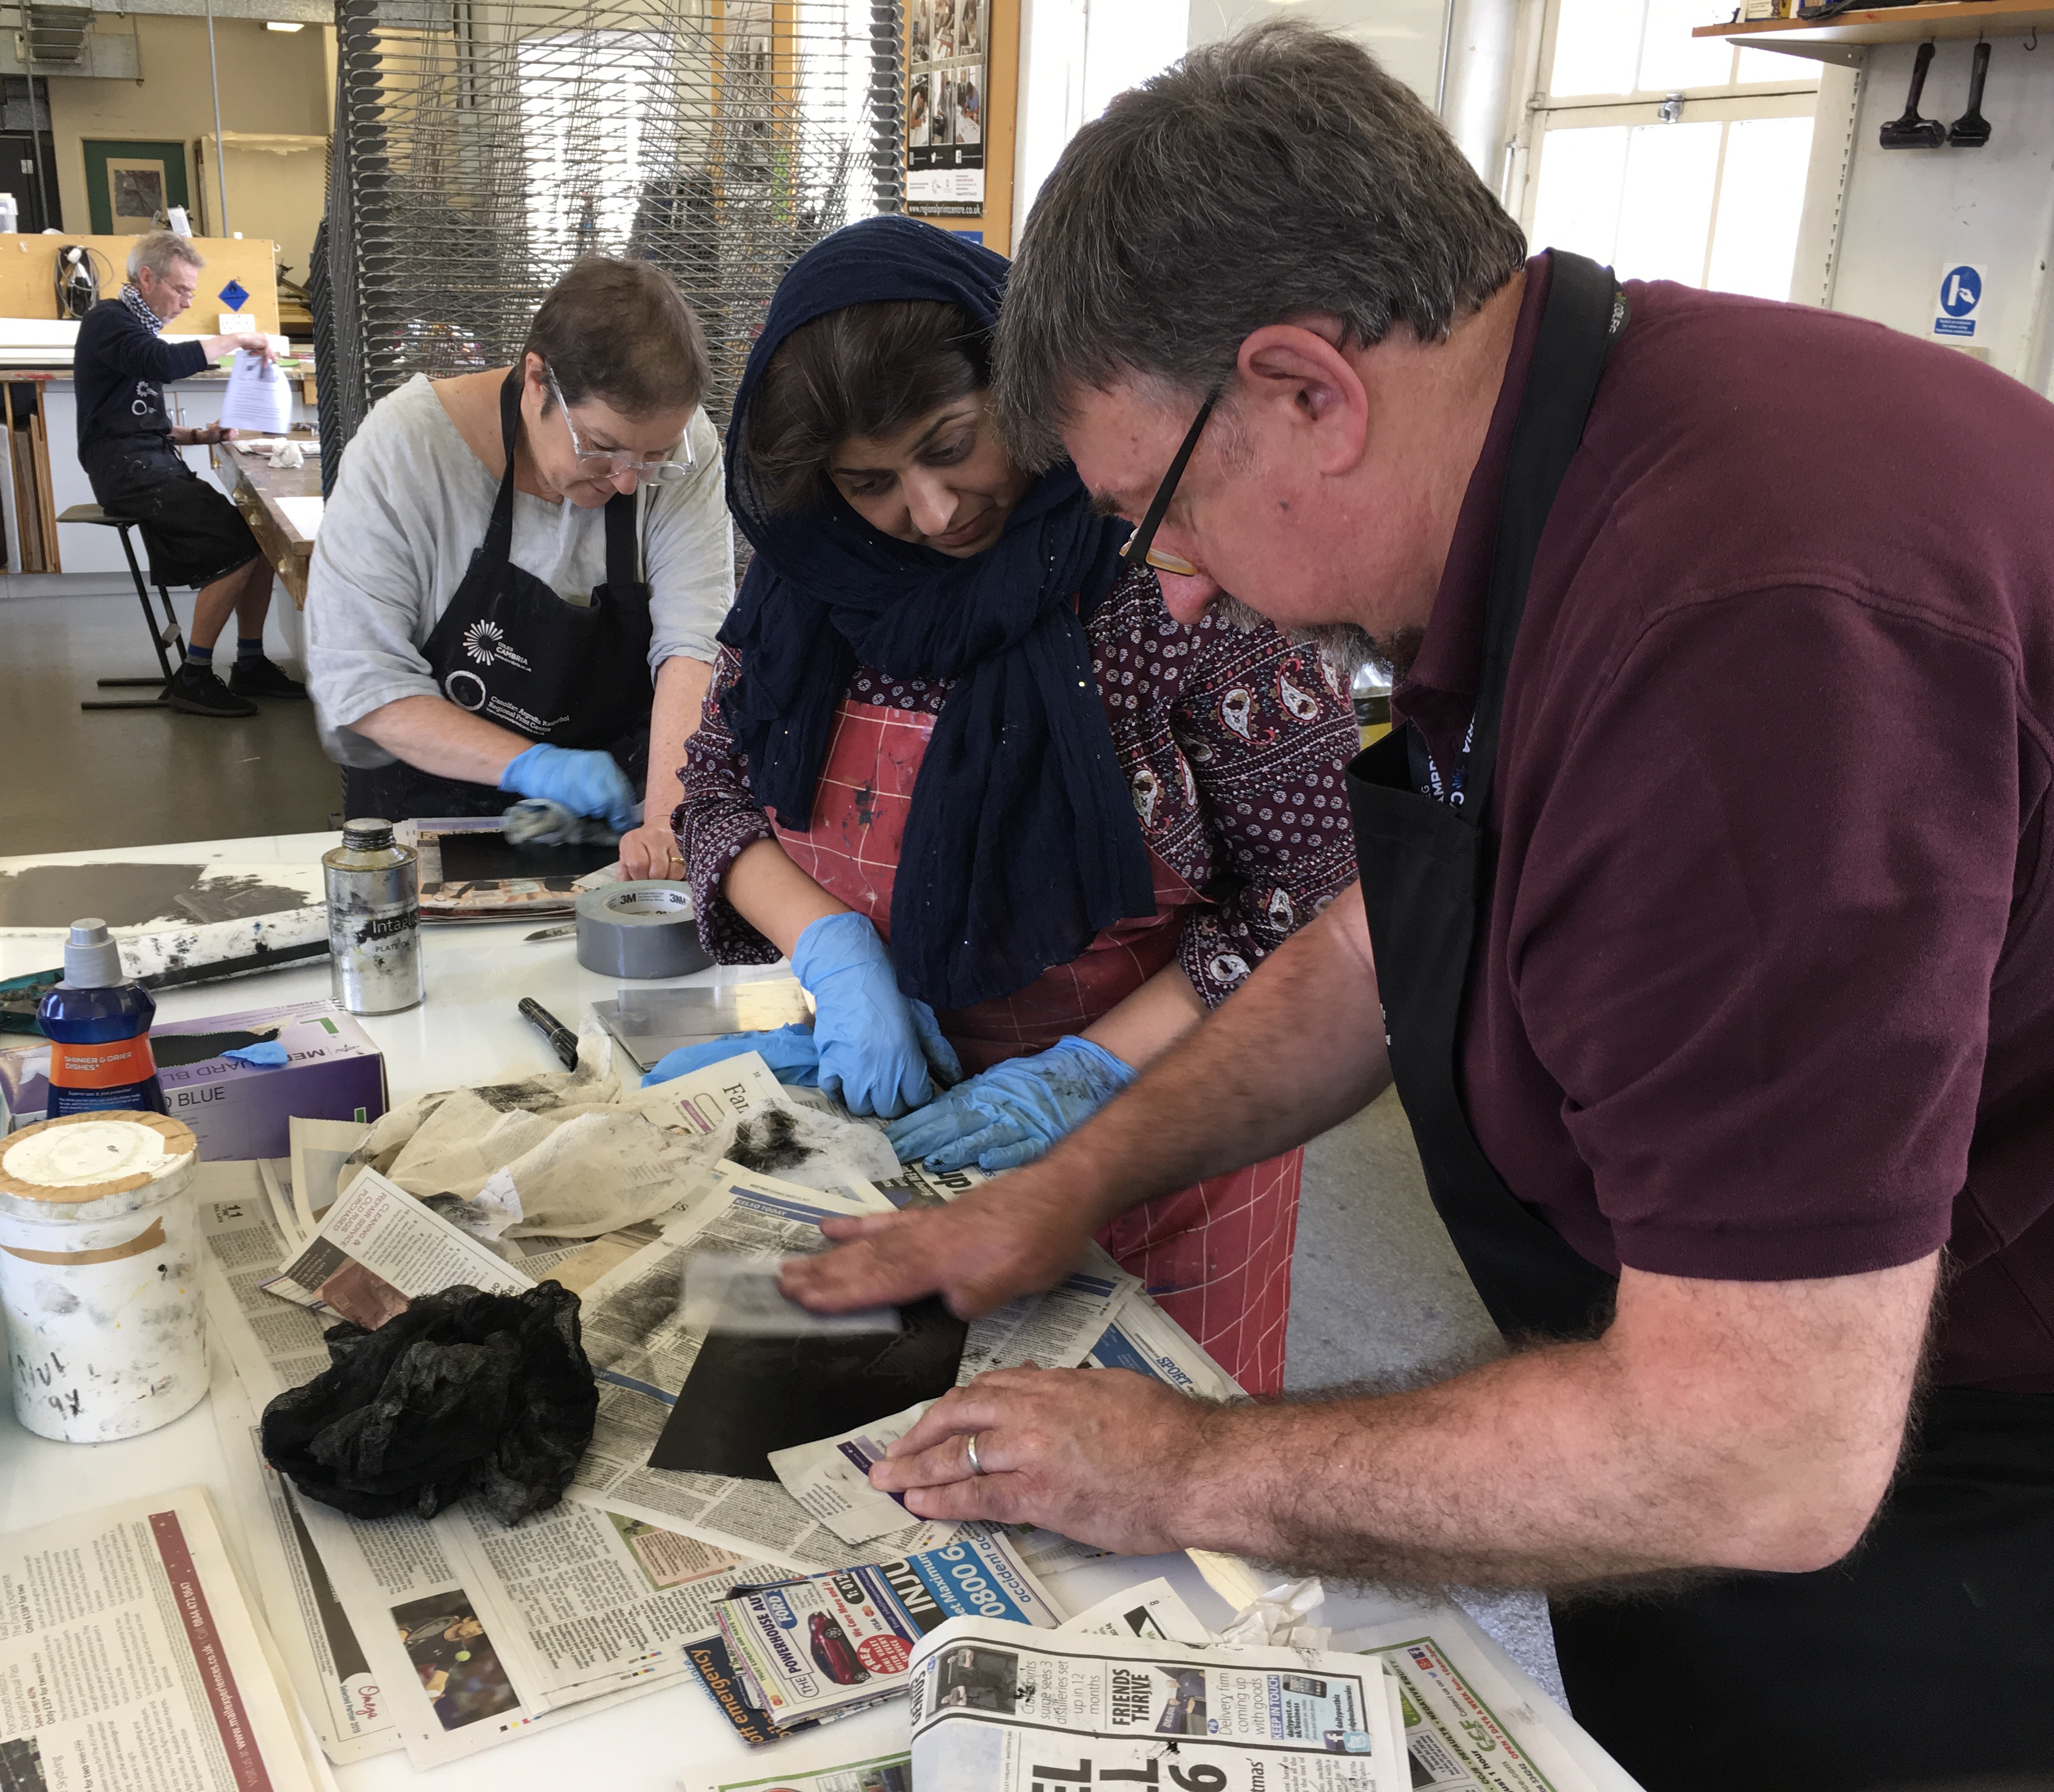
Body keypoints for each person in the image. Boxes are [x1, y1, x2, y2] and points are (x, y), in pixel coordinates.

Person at [779, 24, 2054, 1791]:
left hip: (1955, 1490)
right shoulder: (1565, 454)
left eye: (1159, 514)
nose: (1194, 583)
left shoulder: (1737, 632)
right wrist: (1065, 1181)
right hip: (1747, 1388)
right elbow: (1396, 945)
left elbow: (1760, 1449)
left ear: (1311, 389)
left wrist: (1180, 1472)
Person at [661, 215, 1354, 1393]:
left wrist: (1083, 1074)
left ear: (1023, 385)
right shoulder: (812, 586)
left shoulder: (1173, 574)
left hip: (1165, 1138)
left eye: (952, 446)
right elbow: (715, 785)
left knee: (1149, 1474)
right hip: (902, 1122)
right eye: (870, 482)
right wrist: (829, 947)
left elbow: (1315, 897)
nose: (932, 513)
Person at [305, 255, 733, 879]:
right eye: (601, 447)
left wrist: (666, 822)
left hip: (615, 829)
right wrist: (532, 764)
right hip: (439, 819)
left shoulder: (687, 450)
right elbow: (361, 678)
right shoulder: (409, 448)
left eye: (654, 457)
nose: (625, 481)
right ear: (537, 379)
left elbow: (693, 647)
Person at [73, 229, 304, 719]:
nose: (184, 302)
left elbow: (140, 422)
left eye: (191, 294)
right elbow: (163, 365)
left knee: (262, 538)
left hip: (147, 462)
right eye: (180, 291)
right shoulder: (109, 322)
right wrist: (238, 337)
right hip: (128, 473)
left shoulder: (136, 331)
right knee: (243, 547)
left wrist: (203, 436)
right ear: (147, 277)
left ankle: (250, 661)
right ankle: (195, 676)